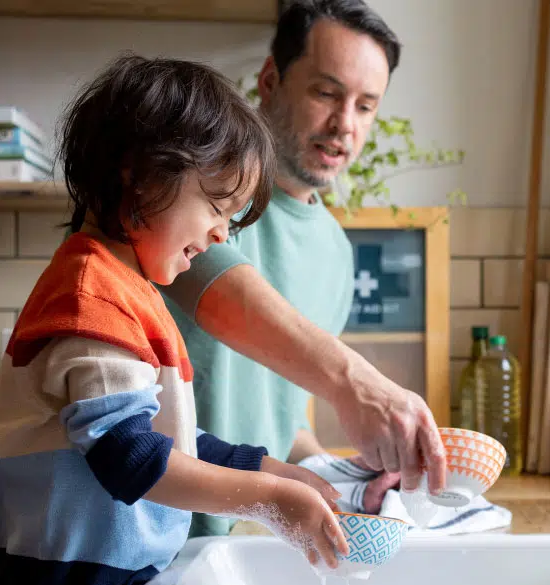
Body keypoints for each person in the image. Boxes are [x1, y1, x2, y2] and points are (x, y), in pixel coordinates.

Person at [0, 53, 350, 585]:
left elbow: (166, 441)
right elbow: (131, 460)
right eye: (217, 206)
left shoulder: (130, 295)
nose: (223, 234)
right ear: (139, 176)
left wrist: (268, 469)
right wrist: (268, 500)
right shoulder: (89, 299)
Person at [163, 0, 433, 536]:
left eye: (365, 106)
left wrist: (344, 477)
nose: (344, 125)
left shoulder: (336, 251)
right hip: (142, 544)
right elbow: (222, 297)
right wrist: (357, 384)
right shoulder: (192, 190)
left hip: (229, 549)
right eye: (326, 93)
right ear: (270, 80)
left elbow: (286, 422)